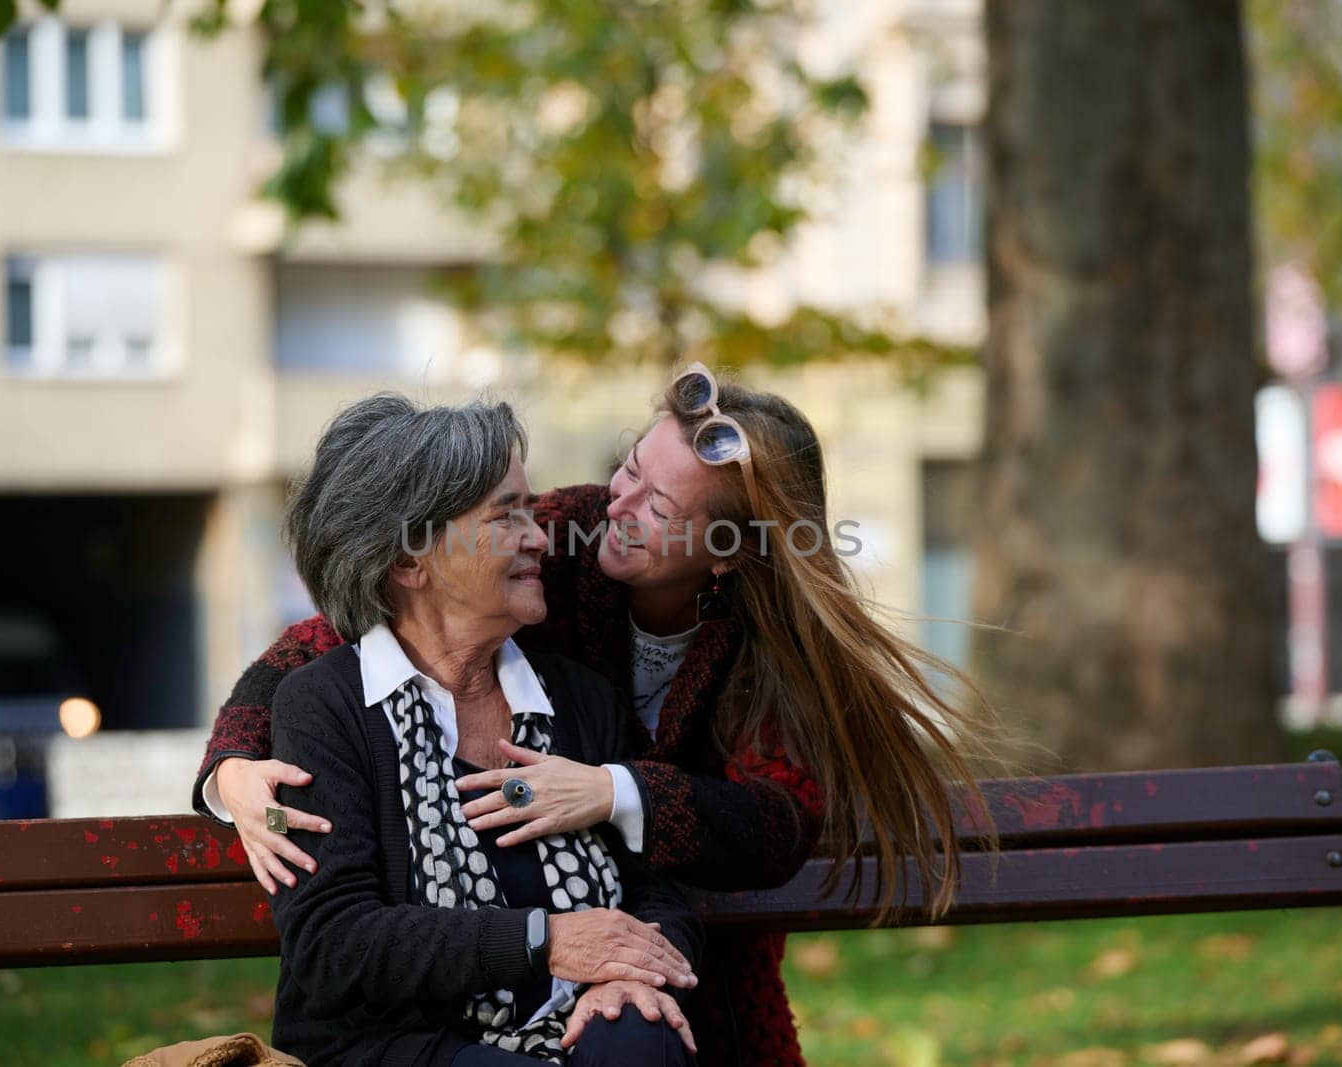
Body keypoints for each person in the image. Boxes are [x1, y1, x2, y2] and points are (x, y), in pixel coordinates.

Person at [199, 364, 1004, 1066]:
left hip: (685, 955)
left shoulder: (761, 648)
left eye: (660, 506)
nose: (621, 504)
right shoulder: (564, 536)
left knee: (646, 1031)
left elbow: (776, 824)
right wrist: (228, 770)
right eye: (629, 469)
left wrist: (618, 795)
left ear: (726, 549)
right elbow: (349, 628)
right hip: (469, 994)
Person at [264, 394, 703, 1066]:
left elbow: (655, 888)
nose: (538, 536)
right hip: (394, 1044)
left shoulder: (578, 697)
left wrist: (626, 971)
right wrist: (544, 939)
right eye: (506, 517)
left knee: (638, 1034)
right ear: (411, 562)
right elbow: (333, 942)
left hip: (570, 1024)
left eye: (529, 510)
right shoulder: (324, 706)